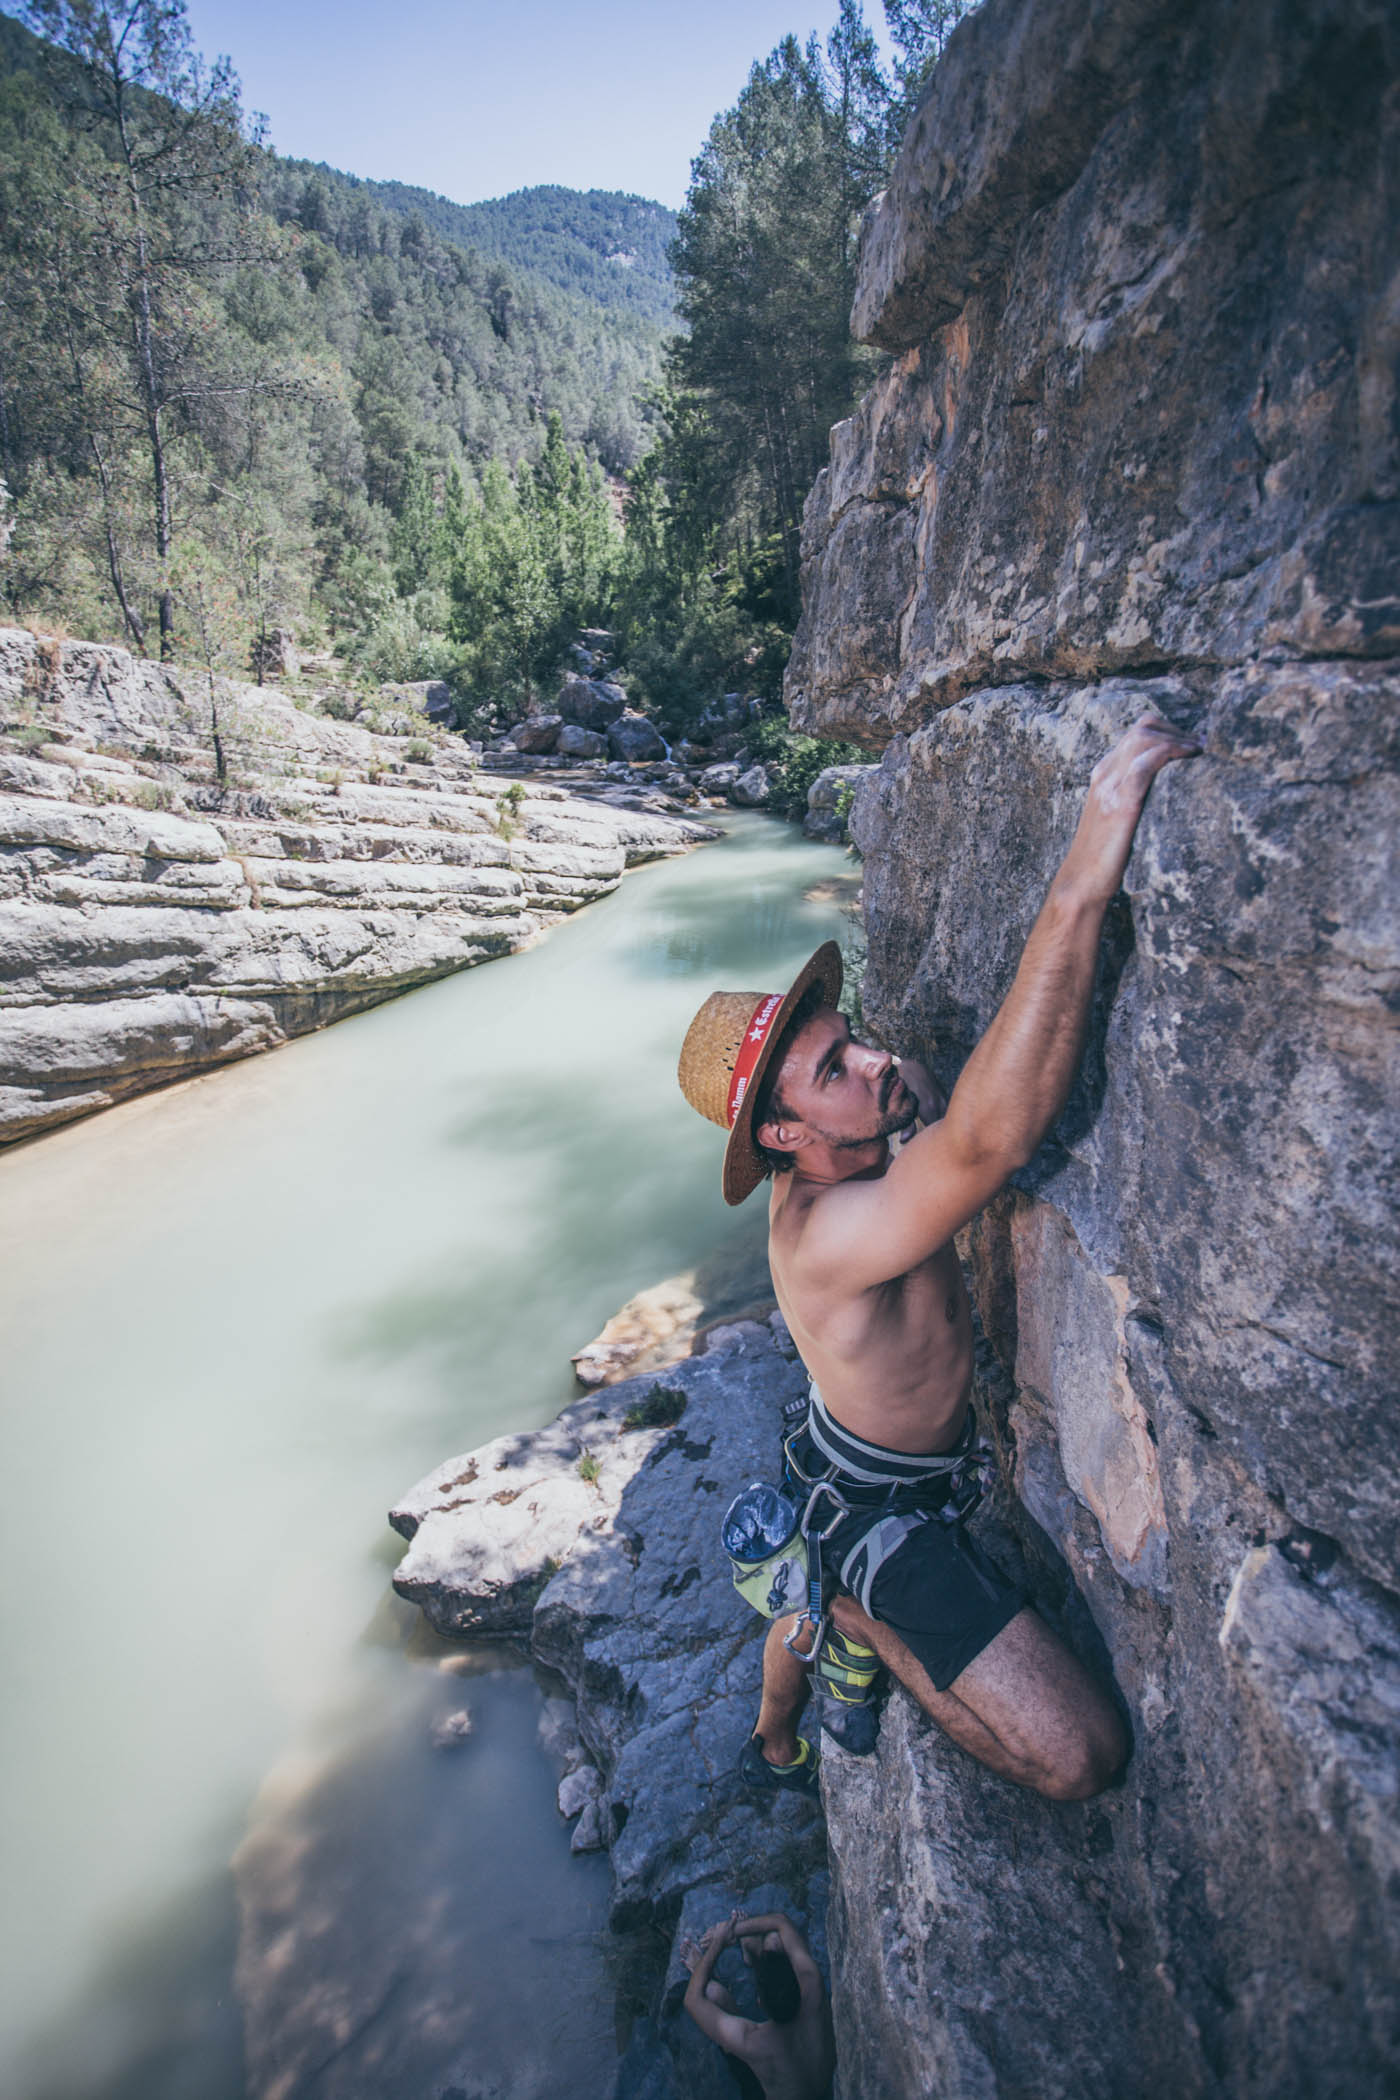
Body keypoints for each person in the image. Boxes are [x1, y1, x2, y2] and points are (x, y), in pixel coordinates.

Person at [677, 715, 1201, 1799]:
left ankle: (791, 1682)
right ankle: (842, 1629)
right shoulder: (825, 1234)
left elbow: (930, 1095)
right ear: (782, 1134)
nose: (874, 1061)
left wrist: (894, 1089)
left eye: (850, 1038)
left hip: (848, 1461)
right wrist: (1084, 874)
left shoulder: (853, 1131)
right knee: (1079, 1758)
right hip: (876, 1505)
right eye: (834, 1070)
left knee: (798, 1616)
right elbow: (987, 1142)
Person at [681, 1909, 835, 2100]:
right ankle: (751, 1952)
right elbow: (781, 1922)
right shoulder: (813, 1987)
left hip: (762, 2083)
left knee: (713, 1993)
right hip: (823, 2086)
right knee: (774, 1940)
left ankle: (715, 1964)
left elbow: (692, 2000)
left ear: (760, 2003)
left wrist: (719, 1941)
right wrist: (737, 1930)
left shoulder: (751, 2039)